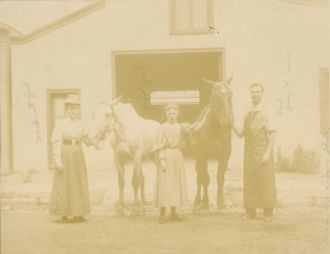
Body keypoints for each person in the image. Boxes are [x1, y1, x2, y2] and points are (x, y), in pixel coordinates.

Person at [232, 83, 277, 221]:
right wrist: (231, 122)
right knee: (250, 181)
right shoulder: (246, 112)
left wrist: (267, 153)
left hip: (263, 152)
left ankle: (268, 212)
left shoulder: (267, 111)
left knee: (265, 181)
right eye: (253, 92)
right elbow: (241, 133)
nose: (255, 94)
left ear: (262, 93)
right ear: (250, 94)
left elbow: (273, 135)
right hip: (249, 153)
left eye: (257, 92)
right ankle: (250, 211)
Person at [50, 94, 90, 223]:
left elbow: (86, 140)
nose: (74, 111)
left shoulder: (81, 124)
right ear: (66, 109)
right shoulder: (61, 123)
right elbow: (56, 142)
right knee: (64, 183)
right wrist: (58, 161)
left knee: (78, 182)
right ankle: (64, 213)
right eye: (71, 108)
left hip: (77, 155)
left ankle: (78, 213)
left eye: (76, 108)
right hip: (65, 155)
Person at [154, 103, 189, 223]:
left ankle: (174, 212)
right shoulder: (162, 127)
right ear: (166, 114)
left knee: (175, 183)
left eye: (174, 113)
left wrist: (187, 132)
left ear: (178, 114)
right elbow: (158, 145)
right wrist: (162, 159)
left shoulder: (181, 127)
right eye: (169, 113)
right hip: (166, 155)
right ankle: (163, 213)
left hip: (177, 156)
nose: (171, 115)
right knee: (164, 183)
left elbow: (187, 142)